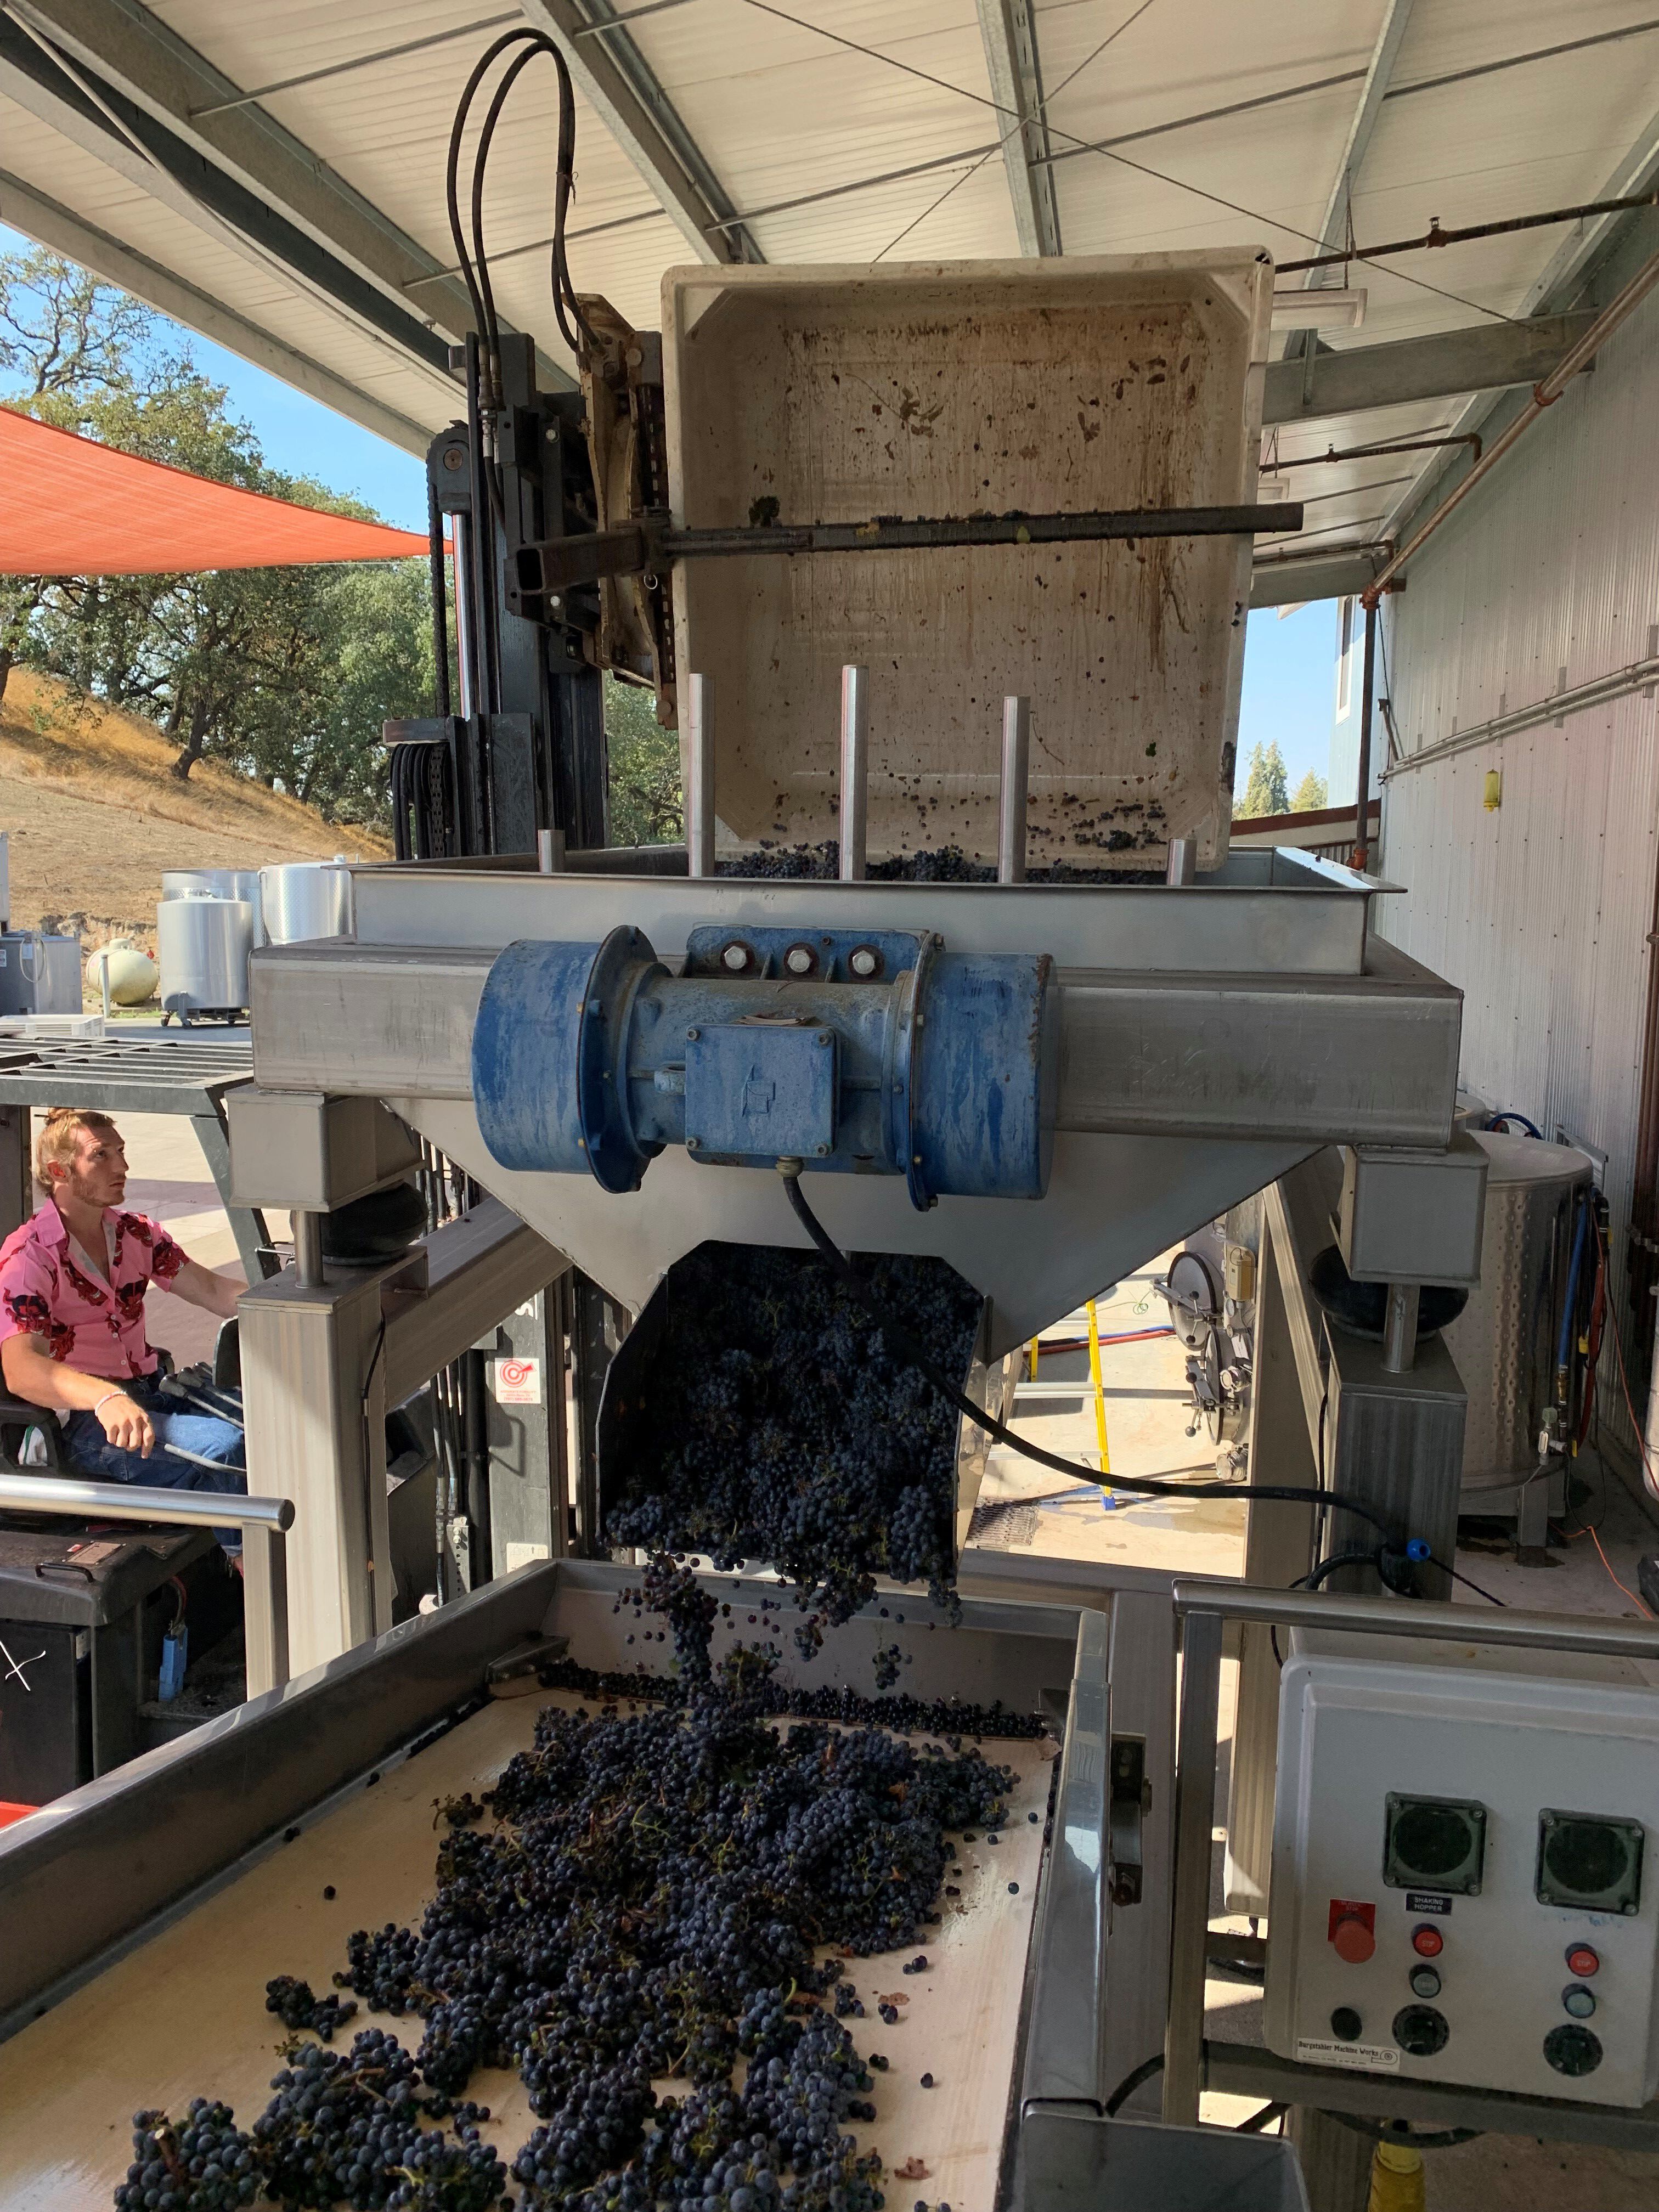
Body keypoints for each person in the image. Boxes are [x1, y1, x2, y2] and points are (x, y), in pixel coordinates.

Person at [0, 1107, 247, 1551]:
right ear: (59, 1171)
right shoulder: (30, 1257)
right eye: (102, 1156)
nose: (123, 1167)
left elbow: (210, 1288)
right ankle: (258, 1577)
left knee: (272, 1426)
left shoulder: (136, 1235)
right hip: (86, 1422)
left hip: (152, 1391)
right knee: (225, 1449)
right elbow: (21, 1369)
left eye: (122, 1152)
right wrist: (104, 1396)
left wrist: (287, 1304)